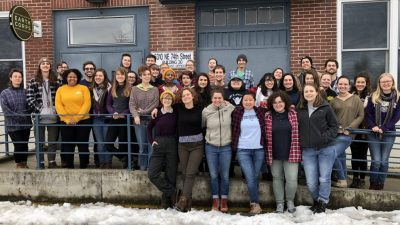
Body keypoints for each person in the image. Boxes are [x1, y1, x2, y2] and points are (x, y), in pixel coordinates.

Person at [297, 84, 338, 213]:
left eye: (311, 91)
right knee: (311, 181)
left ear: (316, 93)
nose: (308, 93)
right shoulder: (300, 109)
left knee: (324, 178)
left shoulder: (325, 107)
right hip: (308, 150)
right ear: (303, 94)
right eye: (306, 92)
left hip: (325, 148)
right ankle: (316, 200)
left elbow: (334, 126)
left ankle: (322, 202)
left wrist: (323, 138)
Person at [231, 91, 266, 214]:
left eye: (250, 100)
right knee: (250, 177)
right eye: (245, 100)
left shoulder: (261, 111)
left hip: (259, 149)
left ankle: (254, 201)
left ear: (254, 101)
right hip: (243, 149)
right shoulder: (237, 113)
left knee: (255, 177)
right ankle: (254, 203)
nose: (248, 102)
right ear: (242, 101)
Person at [265, 91, 301, 213]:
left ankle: (290, 200)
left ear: (285, 102)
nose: (278, 104)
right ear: (271, 104)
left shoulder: (293, 114)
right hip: (274, 153)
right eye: (275, 102)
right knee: (277, 178)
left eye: (280, 101)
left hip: (291, 152)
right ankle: (279, 203)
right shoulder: (268, 116)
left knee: (291, 179)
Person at [365, 73, 400, 190]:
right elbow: (368, 114)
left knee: (384, 161)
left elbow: (396, 117)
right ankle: (373, 184)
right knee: (376, 161)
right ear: (379, 83)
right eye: (383, 81)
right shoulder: (373, 96)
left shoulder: (398, 97)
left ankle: (380, 185)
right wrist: (373, 126)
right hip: (373, 132)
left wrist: (384, 128)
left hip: (389, 133)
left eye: (388, 81)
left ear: (392, 82)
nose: (386, 83)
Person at [202, 89, 235, 212]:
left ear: (223, 99)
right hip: (211, 146)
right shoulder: (206, 111)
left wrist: (228, 104)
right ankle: (215, 200)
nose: (217, 100)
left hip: (226, 146)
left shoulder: (229, 108)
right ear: (211, 99)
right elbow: (202, 125)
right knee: (214, 175)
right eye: (215, 98)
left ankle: (224, 200)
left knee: (225, 175)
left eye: (219, 98)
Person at [330, 76, 364, 188]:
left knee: (331, 153)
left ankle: (342, 179)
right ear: (337, 85)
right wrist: (336, 127)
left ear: (349, 86)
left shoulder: (356, 99)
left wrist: (350, 128)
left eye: (345, 84)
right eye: (340, 84)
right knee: (340, 156)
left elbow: (361, 115)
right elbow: (331, 117)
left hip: (348, 134)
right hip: (336, 133)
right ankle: (343, 177)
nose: (343, 86)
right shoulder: (334, 100)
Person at [26, 57, 60, 169]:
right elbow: (30, 97)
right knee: (39, 141)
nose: (45, 65)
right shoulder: (33, 81)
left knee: (52, 141)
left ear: (50, 66)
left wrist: (57, 108)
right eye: (43, 63)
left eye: (47, 63)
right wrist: (40, 109)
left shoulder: (57, 81)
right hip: (38, 116)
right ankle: (40, 162)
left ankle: (51, 161)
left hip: (53, 115)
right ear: (39, 66)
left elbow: (61, 97)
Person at [174, 88, 204, 212]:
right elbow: (165, 106)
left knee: (190, 173)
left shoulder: (200, 109)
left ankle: (183, 200)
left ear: (193, 96)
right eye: (183, 95)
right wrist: (155, 109)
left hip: (197, 145)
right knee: (184, 173)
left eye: (188, 94)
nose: (185, 97)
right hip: (182, 145)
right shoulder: (178, 109)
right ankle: (188, 203)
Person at [147, 90, 178, 209]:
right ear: (161, 100)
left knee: (171, 174)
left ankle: (166, 201)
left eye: (169, 98)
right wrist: (151, 141)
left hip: (172, 143)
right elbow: (149, 128)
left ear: (173, 100)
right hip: (159, 143)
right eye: (165, 98)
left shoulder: (176, 113)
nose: (167, 100)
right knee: (152, 174)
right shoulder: (157, 113)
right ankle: (173, 192)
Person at [55, 68, 91, 169]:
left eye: (74, 77)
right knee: (68, 144)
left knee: (82, 144)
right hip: (66, 122)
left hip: (83, 121)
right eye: (70, 76)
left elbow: (87, 104)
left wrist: (76, 118)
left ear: (78, 78)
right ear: (66, 78)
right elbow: (58, 105)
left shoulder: (83, 88)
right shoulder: (61, 89)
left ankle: (84, 165)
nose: (72, 78)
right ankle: (69, 165)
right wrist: (67, 119)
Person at [0, 68, 32, 169]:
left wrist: (24, 115)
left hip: (25, 123)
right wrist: (20, 116)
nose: (18, 78)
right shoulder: (4, 93)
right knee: (18, 144)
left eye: (20, 77)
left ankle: (24, 162)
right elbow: (6, 109)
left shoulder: (26, 92)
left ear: (22, 79)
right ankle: (19, 163)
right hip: (12, 124)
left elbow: (30, 106)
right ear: (11, 78)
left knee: (25, 144)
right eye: (15, 76)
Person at [130, 65, 160, 171]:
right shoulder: (134, 89)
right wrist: (136, 115)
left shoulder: (155, 89)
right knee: (142, 146)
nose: (147, 76)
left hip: (152, 121)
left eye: (148, 74)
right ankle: (143, 167)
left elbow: (155, 103)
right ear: (140, 76)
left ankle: (151, 168)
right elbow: (132, 104)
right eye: (144, 75)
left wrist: (142, 112)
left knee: (151, 146)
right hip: (139, 122)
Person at [106, 67, 131, 168]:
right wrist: (113, 113)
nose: (120, 76)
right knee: (108, 143)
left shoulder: (130, 89)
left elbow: (132, 105)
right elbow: (108, 104)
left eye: (122, 74)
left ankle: (126, 164)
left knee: (123, 144)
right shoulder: (112, 88)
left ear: (125, 76)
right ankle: (123, 157)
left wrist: (123, 114)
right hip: (114, 119)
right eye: (118, 75)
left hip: (125, 120)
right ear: (115, 76)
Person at [349, 71, 371, 188]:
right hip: (353, 129)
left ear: (366, 83)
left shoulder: (371, 96)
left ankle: (362, 179)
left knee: (362, 155)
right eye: (358, 82)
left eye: (363, 82)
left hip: (364, 130)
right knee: (354, 155)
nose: (360, 84)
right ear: (355, 83)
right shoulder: (350, 94)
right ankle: (355, 178)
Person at [91, 68, 111, 169]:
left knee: (107, 142)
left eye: (100, 76)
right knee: (99, 143)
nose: (98, 77)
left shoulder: (110, 88)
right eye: (96, 76)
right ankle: (102, 163)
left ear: (104, 77)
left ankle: (108, 163)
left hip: (107, 118)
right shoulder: (92, 89)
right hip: (96, 120)